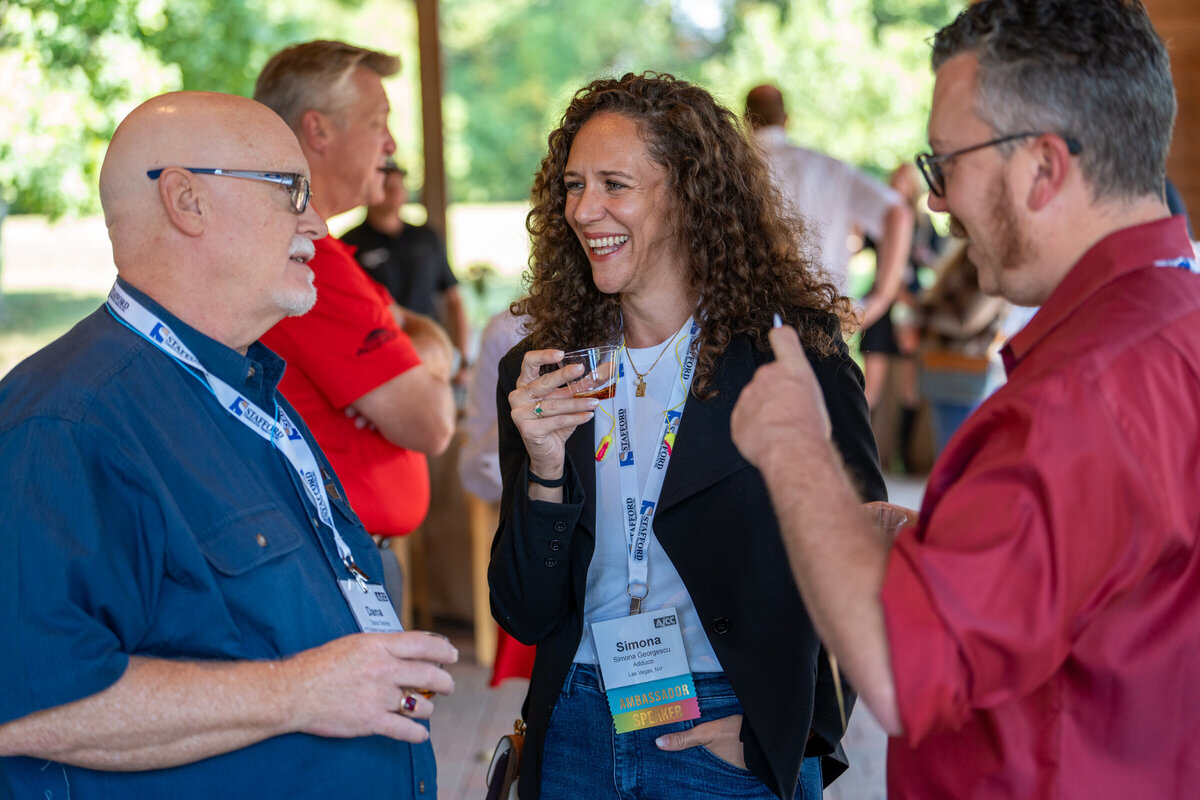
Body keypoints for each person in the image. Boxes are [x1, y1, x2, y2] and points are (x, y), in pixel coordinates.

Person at [730, 1, 1200, 797]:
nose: (938, 200)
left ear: (1044, 168)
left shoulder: (1079, 398)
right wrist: (940, 546)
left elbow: (891, 668)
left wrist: (794, 443)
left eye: (947, 162)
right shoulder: (1169, 320)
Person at [0, 91, 457, 798]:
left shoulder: (243, 383)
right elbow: (27, 705)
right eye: (290, 189)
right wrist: (296, 693)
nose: (315, 222)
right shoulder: (67, 422)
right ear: (187, 202)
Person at [488, 72, 885, 800]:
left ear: (690, 195)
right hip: (575, 724)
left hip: (725, 730)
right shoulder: (542, 371)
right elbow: (524, 610)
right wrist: (545, 468)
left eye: (615, 184)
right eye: (573, 186)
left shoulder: (789, 350)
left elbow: (863, 557)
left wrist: (790, 736)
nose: (584, 210)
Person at [254, 41, 456, 548]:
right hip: (335, 554)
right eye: (376, 122)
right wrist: (425, 351)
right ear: (318, 130)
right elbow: (432, 422)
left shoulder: (323, 252)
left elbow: (425, 339)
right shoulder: (305, 259)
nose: (389, 145)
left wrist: (419, 345)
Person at [744, 84, 912, 330]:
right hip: (823, 323)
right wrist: (880, 299)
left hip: (745, 323)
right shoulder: (829, 169)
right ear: (786, 119)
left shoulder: (728, 170)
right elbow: (897, 213)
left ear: (746, 119)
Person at [342, 159, 471, 371]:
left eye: (399, 186)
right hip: (377, 357)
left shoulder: (426, 238)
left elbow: (453, 298)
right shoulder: (350, 244)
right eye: (388, 186)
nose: (395, 193)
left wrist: (463, 359)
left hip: (429, 351)